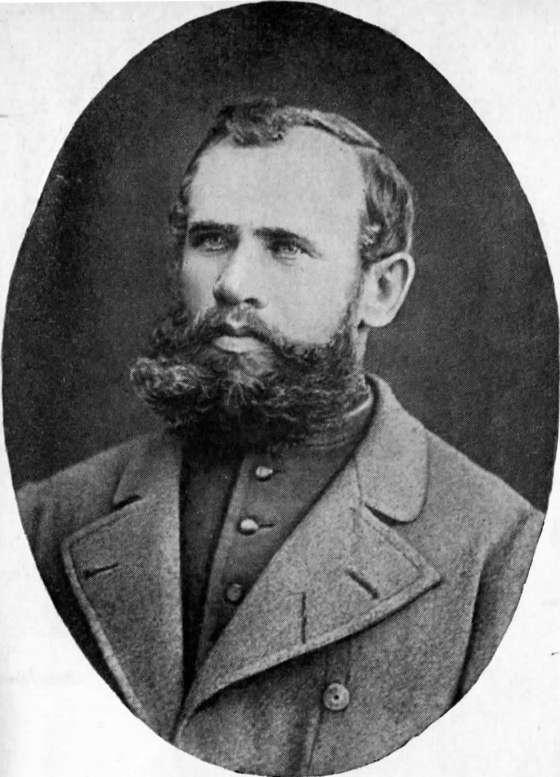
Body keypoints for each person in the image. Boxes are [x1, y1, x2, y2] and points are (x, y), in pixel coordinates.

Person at [16, 100, 544, 776]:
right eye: (211, 240)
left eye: (285, 247)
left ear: (381, 289)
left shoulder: (502, 556)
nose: (232, 283)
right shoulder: (47, 518)